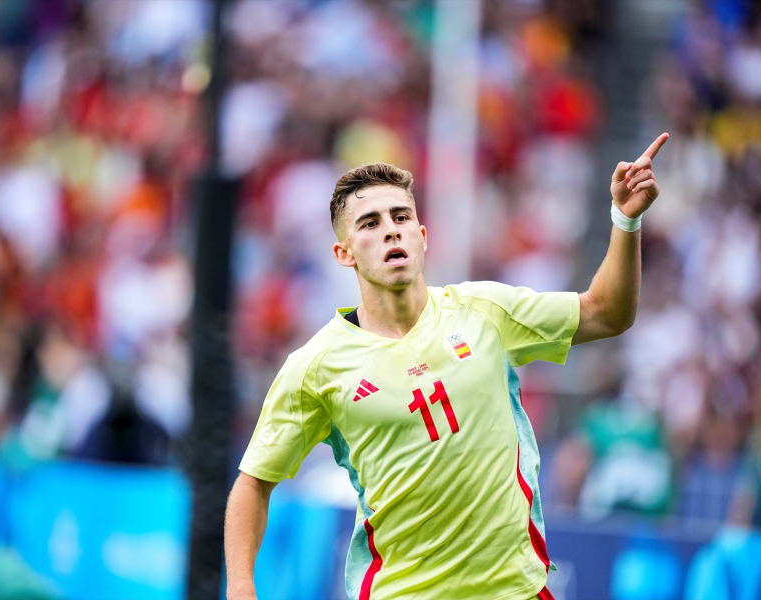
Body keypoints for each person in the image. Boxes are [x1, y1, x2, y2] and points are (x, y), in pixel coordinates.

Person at [225, 133, 670, 600]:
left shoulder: (484, 310)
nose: (391, 231)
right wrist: (240, 587)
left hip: (516, 591)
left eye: (401, 217)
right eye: (370, 224)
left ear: (421, 236)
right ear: (344, 254)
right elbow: (254, 482)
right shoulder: (315, 367)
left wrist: (625, 219)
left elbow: (607, 312)